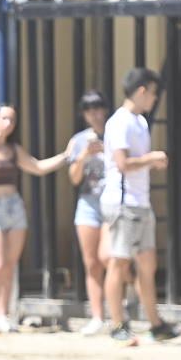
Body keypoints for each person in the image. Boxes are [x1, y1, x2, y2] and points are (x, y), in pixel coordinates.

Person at [0, 103, 71, 335]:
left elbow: (36, 167)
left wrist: (65, 156)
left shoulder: (13, 149)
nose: (8, 123)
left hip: (13, 206)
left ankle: (4, 314)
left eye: (12, 120)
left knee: (8, 266)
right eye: (4, 118)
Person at [100, 68, 181, 345]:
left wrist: (149, 161)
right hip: (124, 203)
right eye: (153, 93)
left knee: (147, 263)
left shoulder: (139, 122)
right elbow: (122, 163)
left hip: (140, 202)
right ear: (142, 91)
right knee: (119, 262)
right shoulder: (120, 122)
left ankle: (155, 322)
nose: (154, 99)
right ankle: (117, 323)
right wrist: (151, 159)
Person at [65, 90, 113, 335]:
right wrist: (84, 155)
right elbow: (73, 178)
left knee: (110, 258)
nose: (94, 114)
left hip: (112, 203)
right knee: (91, 262)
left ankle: (118, 309)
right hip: (88, 203)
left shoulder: (115, 133)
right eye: (89, 110)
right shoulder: (79, 140)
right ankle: (97, 315)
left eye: (98, 108)